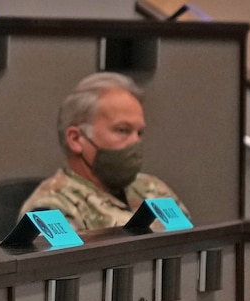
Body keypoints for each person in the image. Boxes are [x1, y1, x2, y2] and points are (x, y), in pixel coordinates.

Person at [20, 72, 187, 233]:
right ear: (76, 139)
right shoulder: (51, 208)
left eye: (139, 133)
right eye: (122, 130)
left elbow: (191, 252)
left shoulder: (154, 189)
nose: (135, 142)